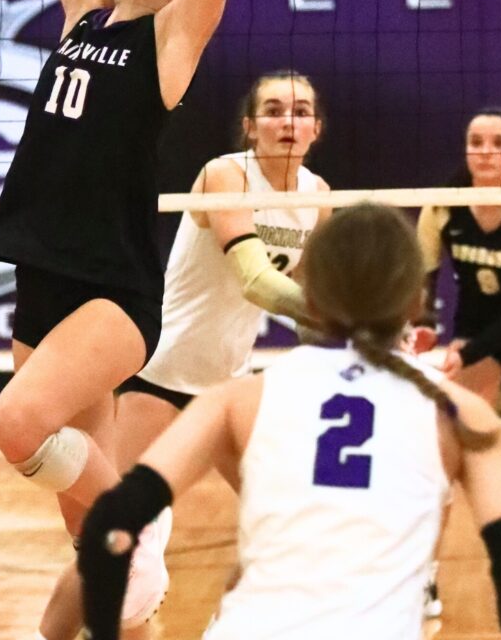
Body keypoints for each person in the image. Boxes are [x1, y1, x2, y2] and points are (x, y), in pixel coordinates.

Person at [0, 0, 296, 631]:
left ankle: (143, 529)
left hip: (109, 291)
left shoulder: (174, 39)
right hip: (40, 273)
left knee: (16, 428)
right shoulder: (86, 8)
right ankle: (129, 584)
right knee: (87, 555)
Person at [78, 202, 501, 640]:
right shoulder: (461, 414)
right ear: (416, 300)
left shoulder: (237, 399)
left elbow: (110, 524)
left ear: (313, 297)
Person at [36, 70, 327, 640]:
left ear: (316, 128)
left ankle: (230, 627)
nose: (286, 122)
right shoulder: (226, 174)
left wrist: (365, 345)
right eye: (272, 110)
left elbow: (305, 311)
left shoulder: (319, 197)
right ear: (250, 126)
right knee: (118, 530)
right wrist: (360, 320)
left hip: (229, 387)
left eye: (299, 111)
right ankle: (50, 635)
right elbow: (260, 285)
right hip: (161, 376)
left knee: (284, 521)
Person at [418, 108, 501, 405]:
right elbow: (425, 278)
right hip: (475, 329)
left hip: (484, 339)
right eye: (476, 142)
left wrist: (468, 353)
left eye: (499, 143)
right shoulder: (442, 206)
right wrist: (425, 324)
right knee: (458, 419)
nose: (485, 152)